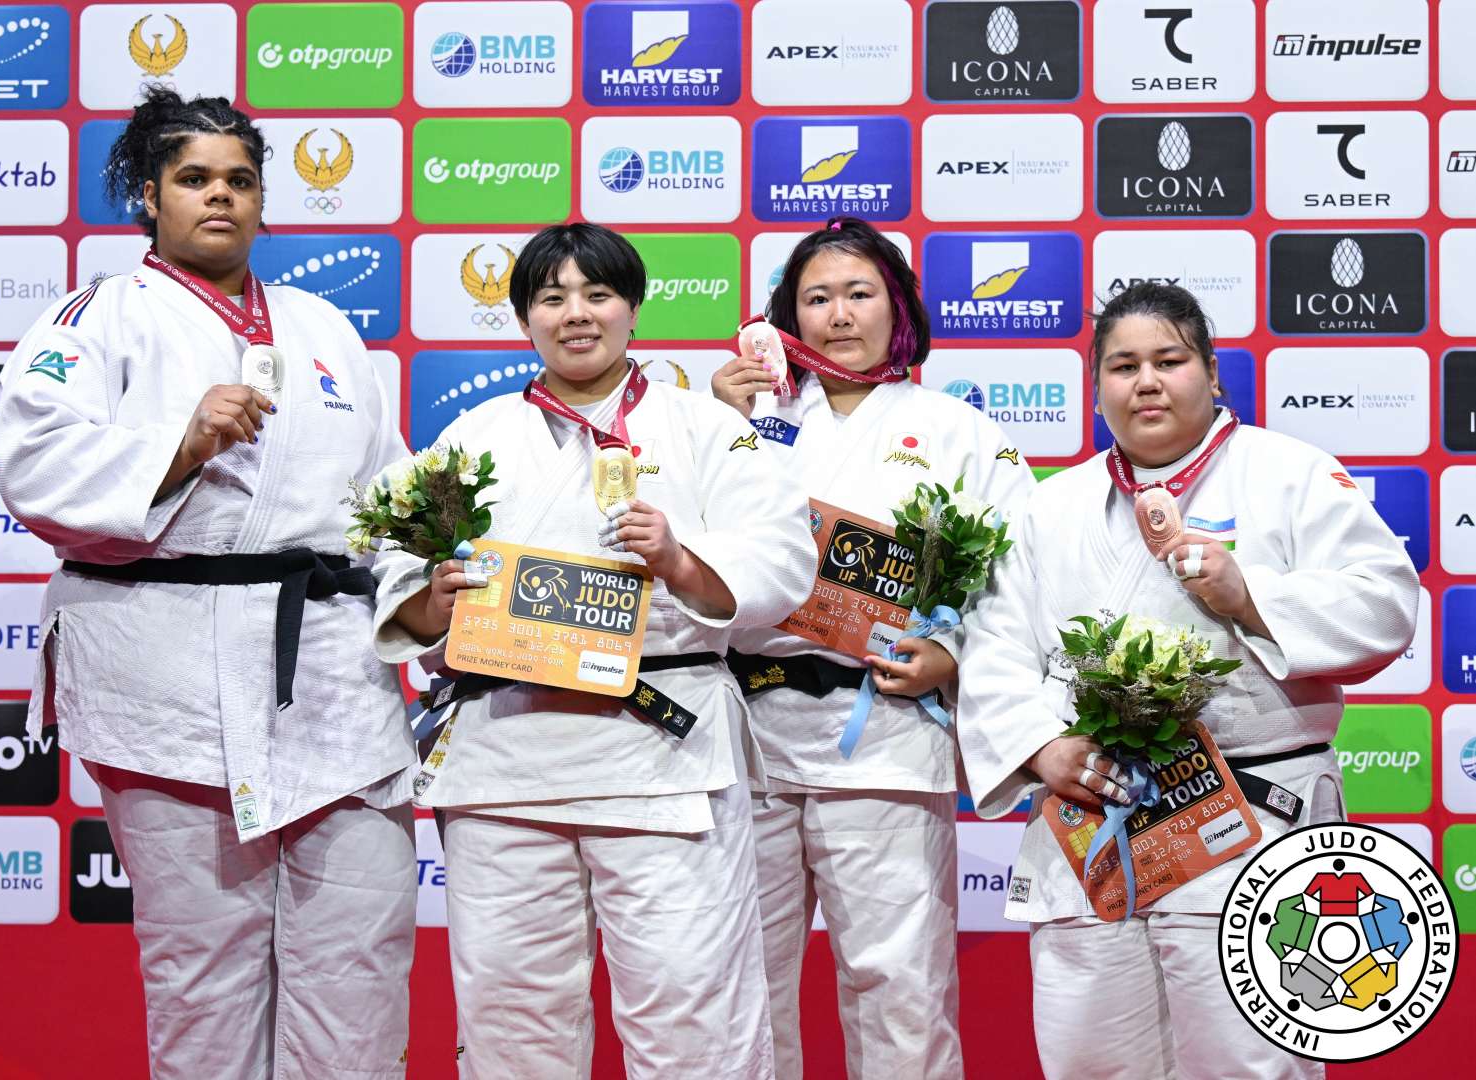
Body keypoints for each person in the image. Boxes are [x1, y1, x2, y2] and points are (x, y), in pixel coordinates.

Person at [0, 88, 416, 1080]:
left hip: (329, 673)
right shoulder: (93, 318)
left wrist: (424, 591)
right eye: (193, 179)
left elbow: (387, 489)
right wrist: (178, 443)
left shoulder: (325, 330)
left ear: (265, 199)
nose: (218, 197)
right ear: (148, 195)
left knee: (358, 967)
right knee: (205, 977)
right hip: (165, 674)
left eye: (238, 179)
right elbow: (34, 468)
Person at [371, 222, 816, 1079]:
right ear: (523, 319)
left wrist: (678, 558)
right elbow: (403, 566)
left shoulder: (705, 427)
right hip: (506, 754)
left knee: (692, 1011)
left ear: (634, 308)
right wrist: (434, 598)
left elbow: (783, 558)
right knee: (512, 1017)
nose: (576, 315)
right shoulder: (475, 436)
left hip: (662, 752)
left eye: (597, 294)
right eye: (550, 298)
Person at [957, 281, 1419, 1079]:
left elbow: (1384, 604)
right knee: (1088, 1060)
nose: (1145, 381)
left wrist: (1251, 597)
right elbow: (994, 647)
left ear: (1210, 372)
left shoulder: (1290, 473)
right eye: (1121, 364)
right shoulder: (1051, 506)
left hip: (1250, 814)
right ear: (1096, 385)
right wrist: (1040, 748)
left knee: (1249, 1064)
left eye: (1168, 360)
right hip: (1093, 825)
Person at [710, 216, 1034, 1079]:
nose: (838, 316)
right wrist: (709, 420)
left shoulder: (956, 428)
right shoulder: (743, 419)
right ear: (785, 316)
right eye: (816, 298)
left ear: (899, 309)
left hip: (885, 730)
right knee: (741, 981)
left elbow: (1018, 580)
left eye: (859, 294)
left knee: (900, 982)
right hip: (747, 729)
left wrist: (955, 658)